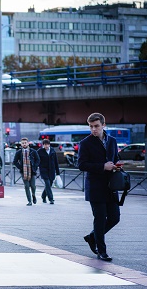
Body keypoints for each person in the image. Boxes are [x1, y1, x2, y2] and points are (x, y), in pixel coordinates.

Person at [78, 112, 120, 262]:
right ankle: (101, 251)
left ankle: (92, 237)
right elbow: (81, 165)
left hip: (111, 186)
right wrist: (102, 166)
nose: (94, 129)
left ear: (103, 125)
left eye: (96, 126)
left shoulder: (113, 141)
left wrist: (116, 166)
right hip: (95, 187)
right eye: (91, 127)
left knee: (115, 218)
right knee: (100, 219)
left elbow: (116, 158)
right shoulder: (85, 143)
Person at [13, 137, 41, 206]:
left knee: (33, 186)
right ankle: (29, 201)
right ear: (21, 144)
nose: (24, 144)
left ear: (28, 143)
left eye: (25, 143)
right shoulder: (19, 152)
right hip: (24, 172)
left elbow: (38, 160)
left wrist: (35, 166)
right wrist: (20, 167)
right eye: (23, 143)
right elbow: (15, 161)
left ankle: (33, 195)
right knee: (26, 186)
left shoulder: (33, 151)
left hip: (32, 171)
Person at [37, 139, 60, 204]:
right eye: (45, 144)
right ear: (43, 145)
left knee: (49, 185)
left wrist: (58, 172)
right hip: (44, 170)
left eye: (47, 144)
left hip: (52, 170)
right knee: (47, 183)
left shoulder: (52, 151)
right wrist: (37, 166)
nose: (46, 146)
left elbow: (56, 162)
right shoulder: (40, 151)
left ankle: (43, 196)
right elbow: (36, 159)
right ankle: (51, 199)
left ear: (49, 145)